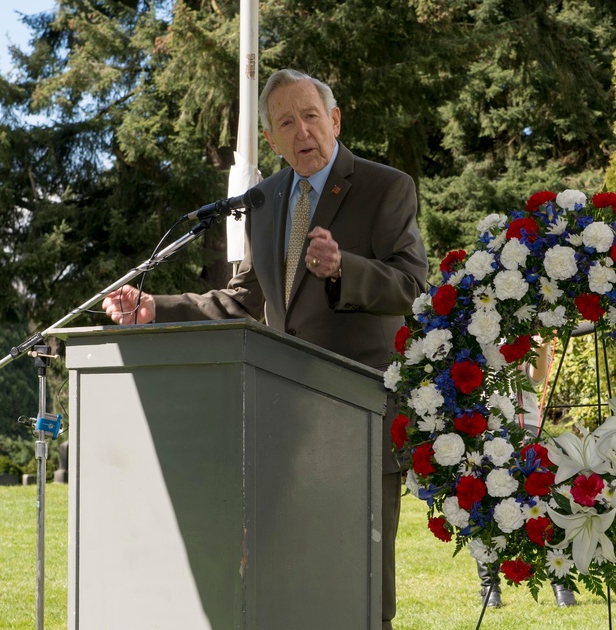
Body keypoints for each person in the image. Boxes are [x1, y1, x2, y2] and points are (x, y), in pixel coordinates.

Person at [102, 68, 428, 630]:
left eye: (309, 115)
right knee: (289, 578)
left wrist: (343, 268)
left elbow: (412, 287)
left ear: (335, 119)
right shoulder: (265, 198)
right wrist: (157, 307)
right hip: (284, 423)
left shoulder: (385, 187)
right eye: (284, 122)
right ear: (271, 139)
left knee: (363, 588)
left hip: (362, 420)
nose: (301, 130)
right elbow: (242, 300)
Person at [477, 338, 577, 608]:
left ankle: (560, 582)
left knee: (543, 503)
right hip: (488, 424)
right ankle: (490, 587)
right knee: (487, 503)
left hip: (527, 424)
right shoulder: (479, 326)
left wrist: (541, 347)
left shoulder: (525, 323)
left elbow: (536, 377)